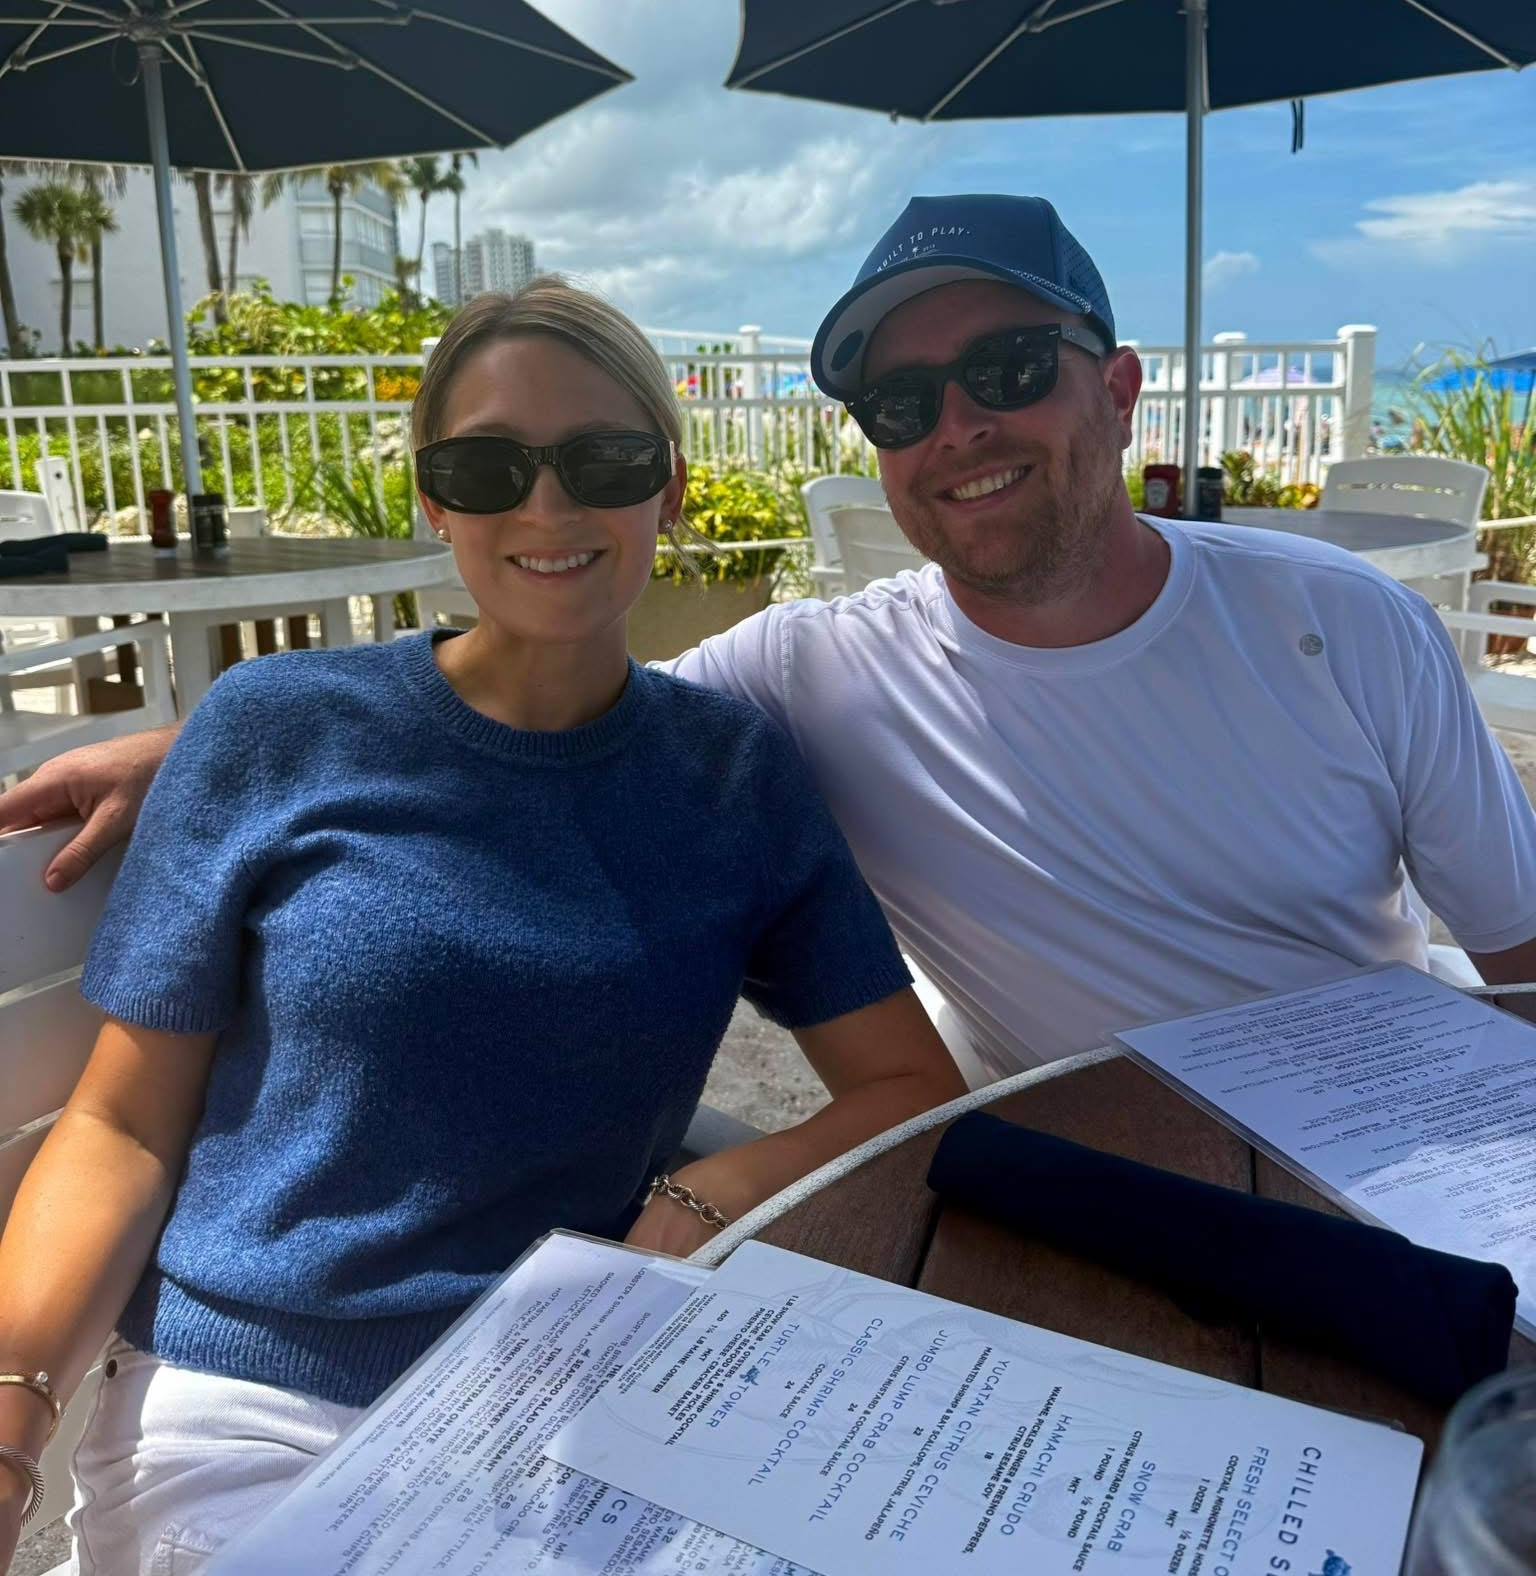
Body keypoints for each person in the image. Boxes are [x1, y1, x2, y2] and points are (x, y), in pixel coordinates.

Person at [0, 280, 962, 1576]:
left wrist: (693, 1207)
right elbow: (125, 1126)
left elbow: (906, 1090)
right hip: (260, 1401)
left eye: (606, 462)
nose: (547, 507)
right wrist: (11, 1417)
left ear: (672, 492)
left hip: (575, 1397)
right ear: (436, 503)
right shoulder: (276, 732)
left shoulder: (732, 777)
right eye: (487, 468)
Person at [8, 192, 1536, 1078]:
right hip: (1092, 1188)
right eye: (900, 400)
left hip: (1393, 1142)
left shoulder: (1346, 629)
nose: (958, 428)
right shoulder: (816, 671)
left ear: (1119, 388)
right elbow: (532, 696)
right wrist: (202, 749)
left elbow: (1520, 967)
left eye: (1009, 366)